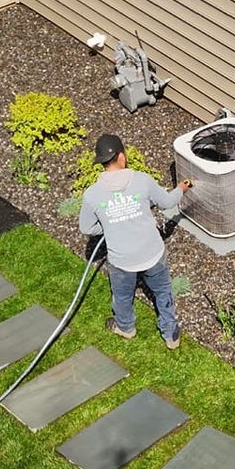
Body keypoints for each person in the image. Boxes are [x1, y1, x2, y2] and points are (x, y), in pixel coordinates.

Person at [78, 134, 192, 348]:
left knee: (122, 295)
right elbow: (167, 202)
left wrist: (110, 223)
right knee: (162, 290)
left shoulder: (92, 195)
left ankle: (126, 328)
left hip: (122, 261)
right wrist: (181, 189)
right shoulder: (142, 180)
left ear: (101, 162)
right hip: (153, 254)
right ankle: (170, 334)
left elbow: (86, 227)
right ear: (122, 157)